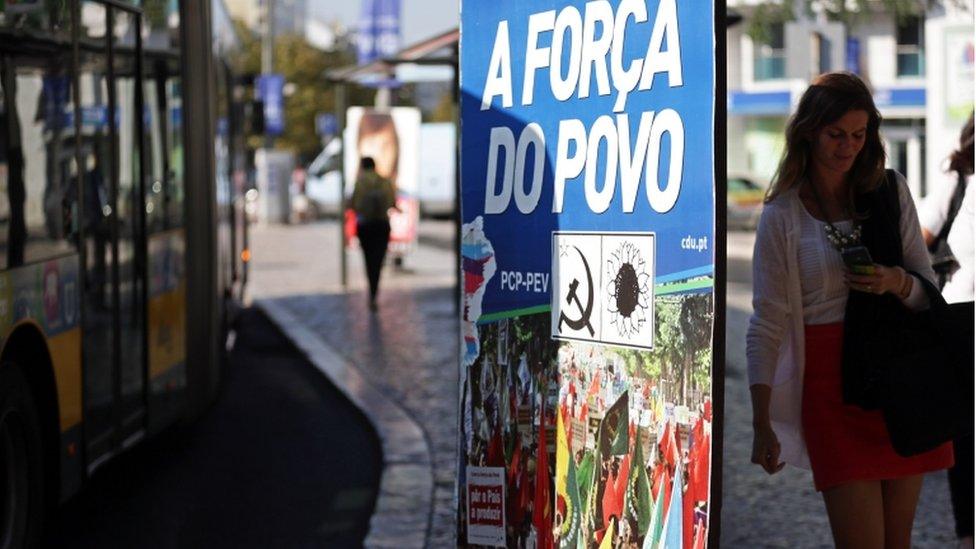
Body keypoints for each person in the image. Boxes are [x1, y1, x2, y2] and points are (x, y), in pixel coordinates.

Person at [747, 72, 953, 548]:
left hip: (898, 380)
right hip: (830, 389)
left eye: (859, 135)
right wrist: (761, 422)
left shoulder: (889, 191)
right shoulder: (783, 213)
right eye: (836, 134)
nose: (848, 147)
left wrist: (892, 280)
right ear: (809, 131)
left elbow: (927, 292)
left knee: (897, 541)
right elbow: (767, 321)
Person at [918, 113, 974, 549]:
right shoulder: (958, 182)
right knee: (968, 433)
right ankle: (967, 531)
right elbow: (917, 243)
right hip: (963, 317)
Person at [349, 156, 396, 311]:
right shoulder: (384, 181)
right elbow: (391, 202)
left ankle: (372, 292)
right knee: (378, 261)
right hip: (382, 225)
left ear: (363, 166)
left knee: (368, 261)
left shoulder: (360, 182)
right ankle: (375, 290)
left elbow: (353, 205)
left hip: (366, 226)